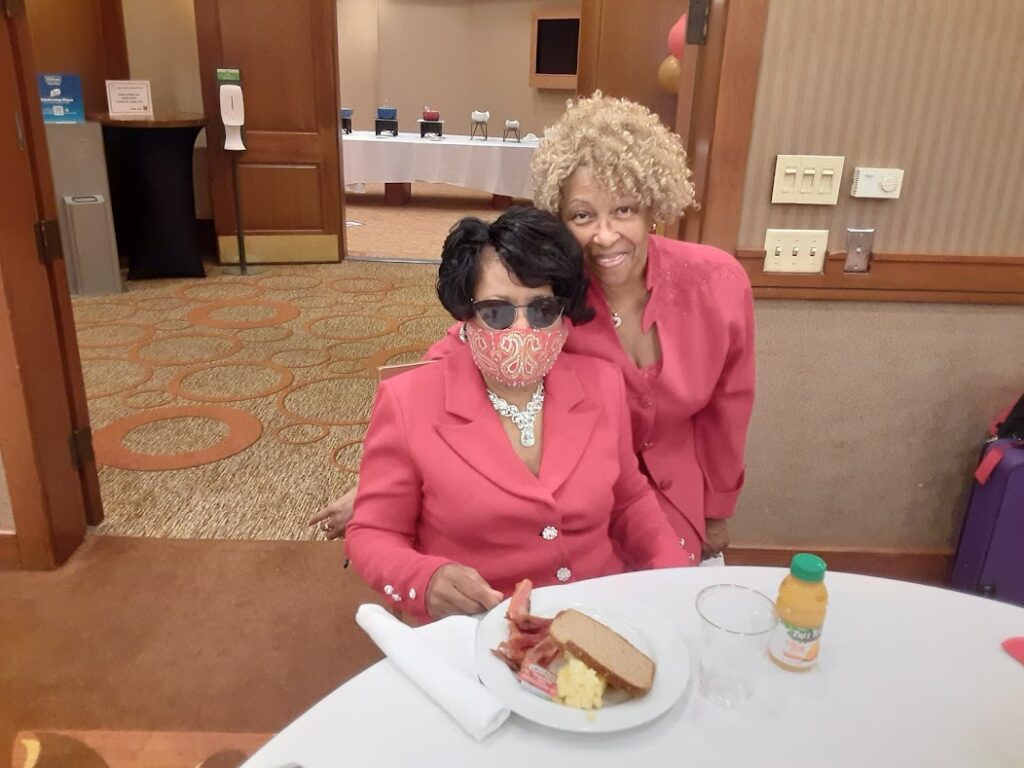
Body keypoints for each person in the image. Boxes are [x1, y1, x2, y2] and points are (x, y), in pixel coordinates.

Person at [314, 92, 755, 561]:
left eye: (624, 210)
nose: (605, 236)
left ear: (652, 206)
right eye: (583, 215)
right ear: (559, 217)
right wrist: (382, 483)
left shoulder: (717, 282)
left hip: (675, 501)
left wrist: (717, 511)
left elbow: (729, 408)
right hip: (576, 502)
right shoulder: (549, 293)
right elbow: (455, 354)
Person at [344, 207, 693, 621]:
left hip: (596, 614)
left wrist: (676, 576)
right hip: (478, 628)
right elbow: (373, 532)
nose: (523, 330)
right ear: (466, 314)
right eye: (497, 312)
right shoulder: (407, 402)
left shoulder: (603, 384)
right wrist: (426, 579)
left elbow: (630, 501)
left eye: (542, 309)